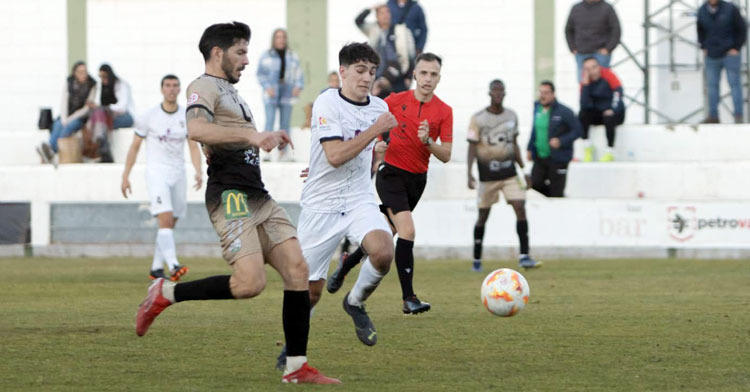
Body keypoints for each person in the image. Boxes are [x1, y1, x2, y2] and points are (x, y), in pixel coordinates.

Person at [134, 22, 339, 385]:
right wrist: (252, 135)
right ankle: (166, 291)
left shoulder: (231, 91)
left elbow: (245, 138)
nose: (246, 60)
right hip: (230, 196)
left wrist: (265, 137)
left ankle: (296, 367)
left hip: (257, 194)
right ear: (218, 52)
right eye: (240, 52)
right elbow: (196, 130)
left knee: (298, 271)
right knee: (249, 284)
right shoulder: (202, 87)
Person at [327, 52, 453, 315]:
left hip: (417, 180)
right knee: (407, 231)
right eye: (423, 73)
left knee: (384, 235)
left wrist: (429, 141)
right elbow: (368, 122)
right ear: (414, 75)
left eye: (433, 74)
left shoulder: (444, 111)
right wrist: (379, 143)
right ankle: (409, 298)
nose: (428, 79)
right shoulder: (395, 100)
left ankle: (346, 265)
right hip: (391, 173)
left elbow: (447, 155)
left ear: (439, 78)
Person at [121, 75, 203, 281]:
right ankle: (174, 265)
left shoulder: (186, 116)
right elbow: (134, 147)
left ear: (179, 89)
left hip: (179, 173)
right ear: (162, 89)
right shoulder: (149, 116)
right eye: (168, 85)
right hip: (157, 173)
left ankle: (156, 268)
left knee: (169, 223)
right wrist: (126, 175)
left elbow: (193, 146)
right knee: (165, 219)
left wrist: (198, 170)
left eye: (175, 86)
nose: (171, 89)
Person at [467, 80, 541, 272]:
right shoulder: (478, 118)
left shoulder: (511, 116)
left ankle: (524, 256)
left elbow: (514, 144)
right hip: (487, 175)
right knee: (483, 215)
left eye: (501, 91)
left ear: (505, 94)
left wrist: (524, 170)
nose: (498, 94)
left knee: (520, 207)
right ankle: (477, 259)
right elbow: (472, 146)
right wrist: (469, 173)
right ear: (489, 93)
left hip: (509, 173)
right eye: (495, 91)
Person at [526, 81, 581, 197]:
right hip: (540, 157)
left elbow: (578, 131)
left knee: (557, 190)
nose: (543, 95)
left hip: (558, 158)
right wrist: (530, 148)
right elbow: (535, 129)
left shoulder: (564, 111)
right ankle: (554, 196)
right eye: (540, 92)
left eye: (546, 92)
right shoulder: (537, 108)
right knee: (534, 184)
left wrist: (561, 141)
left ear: (553, 94)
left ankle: (558, 199)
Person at [256, 28, 304, 160]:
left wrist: (298, 86)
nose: (281, 39)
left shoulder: (292, 56)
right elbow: (260, 74)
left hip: (287, 93)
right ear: (274, 39)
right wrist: (267, 87)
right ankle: (266, 153)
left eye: (283, 37)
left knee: (285, 124)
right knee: (270, 122)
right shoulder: (267, 55)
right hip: (271, 94)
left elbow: (299, 73)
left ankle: (283, 153)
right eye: (278, 37)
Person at [37, 61, 97, 165]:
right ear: (75, 73)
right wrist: (64, 118)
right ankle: (50, 149)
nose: (83, 74)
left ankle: (51, 150)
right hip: (67, 114)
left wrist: (69, 119)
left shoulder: (92, 84)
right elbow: (64, 101)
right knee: (57, 125)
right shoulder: (69, 82)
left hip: (80, 117)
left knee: (68, 128)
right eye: (80, 72)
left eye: (85, 72)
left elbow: (87, 108)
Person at [697, 0, 747, 123]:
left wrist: (736, 47)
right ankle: (713, 117)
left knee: (735, 85)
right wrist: (703, 46)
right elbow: (700, 30)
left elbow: (742, 28)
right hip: (712, 55)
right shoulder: (702, 11)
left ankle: (738, 116)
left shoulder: (730, 9)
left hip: (730, 54)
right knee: (712, 87)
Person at [356, 4, 416, 92]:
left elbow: (411, 54)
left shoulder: (402, 30)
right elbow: (358, 21)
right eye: (381, 13)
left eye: (387, 12)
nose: (385, 15)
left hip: (398, 77)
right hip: (377, 77)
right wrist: (371, 8)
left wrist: (409, 77)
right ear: (377, 16)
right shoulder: (373, 30)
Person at [579, 57, 625, 162]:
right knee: (582, 115)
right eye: (588, 69)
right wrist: (585, 86)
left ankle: (610, 151)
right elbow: (584, 104)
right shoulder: (585, 82)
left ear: (599, 67)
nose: (592, 71)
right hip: (598, 112)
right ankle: (588, 146)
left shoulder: (608, 75)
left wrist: (613, 109)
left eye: (594, 67)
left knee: (608, 117)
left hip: (613, 112)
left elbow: (619, 94)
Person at [565, 0, 621, 81]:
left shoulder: (607, 8)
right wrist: (572, 48)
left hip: (601, 55)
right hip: (581, 54)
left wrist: (608, 49)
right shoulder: (576, 8)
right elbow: (568, 30)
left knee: (602, 85)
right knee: (584, 84)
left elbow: (616, 30)